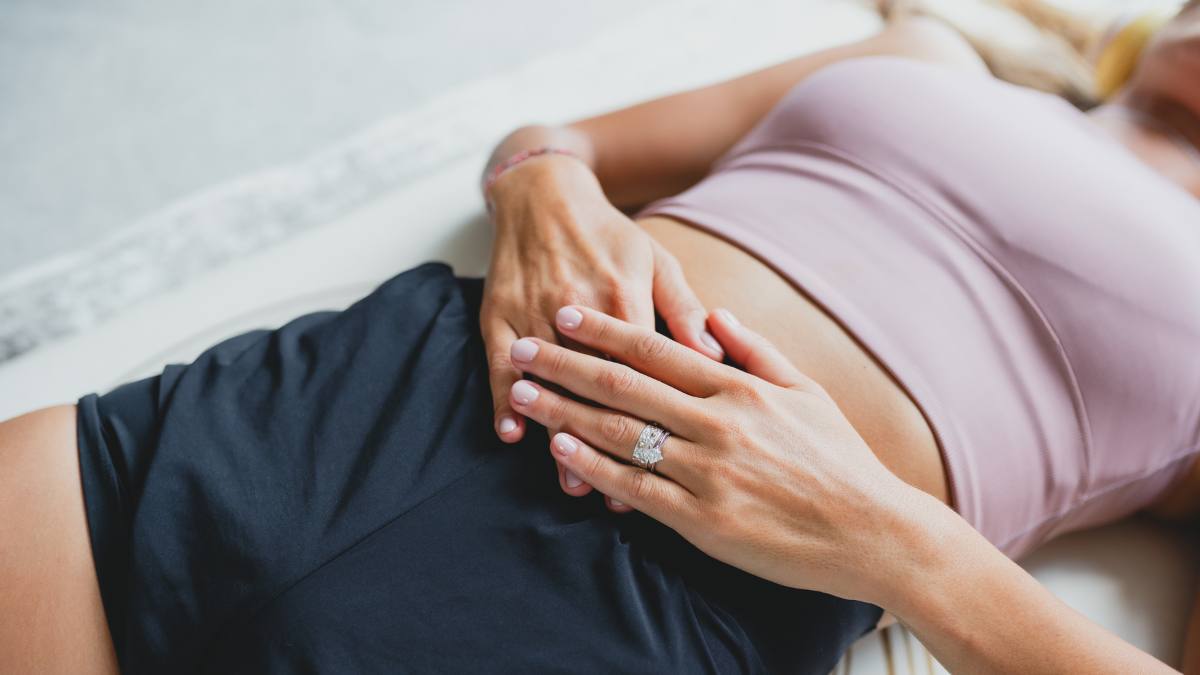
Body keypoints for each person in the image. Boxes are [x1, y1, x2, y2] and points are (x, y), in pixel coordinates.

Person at [1, 4, 1197, 673]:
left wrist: (896, 546)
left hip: (670, 597)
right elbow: (555, 138)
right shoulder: (927, 52)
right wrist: (544, 196)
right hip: (402, 382)